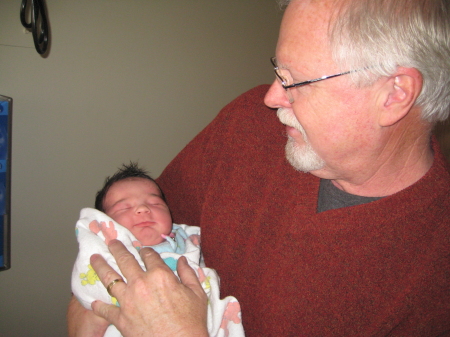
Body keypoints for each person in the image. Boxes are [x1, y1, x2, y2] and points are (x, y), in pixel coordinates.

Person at [67, 0, 450, 335]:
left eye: (295, 80)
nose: (269, 97)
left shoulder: (435, 279)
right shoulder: (248, 124)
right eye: (277, 70)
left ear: (394, 95)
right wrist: (85, 305)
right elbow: (127, 231)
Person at [70, 163, 244, 337]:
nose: (143, 209)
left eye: (155, 203)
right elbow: (89, 287)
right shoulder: (106, 249)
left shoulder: (188, 238)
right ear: (105, 222)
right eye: (124, 207)